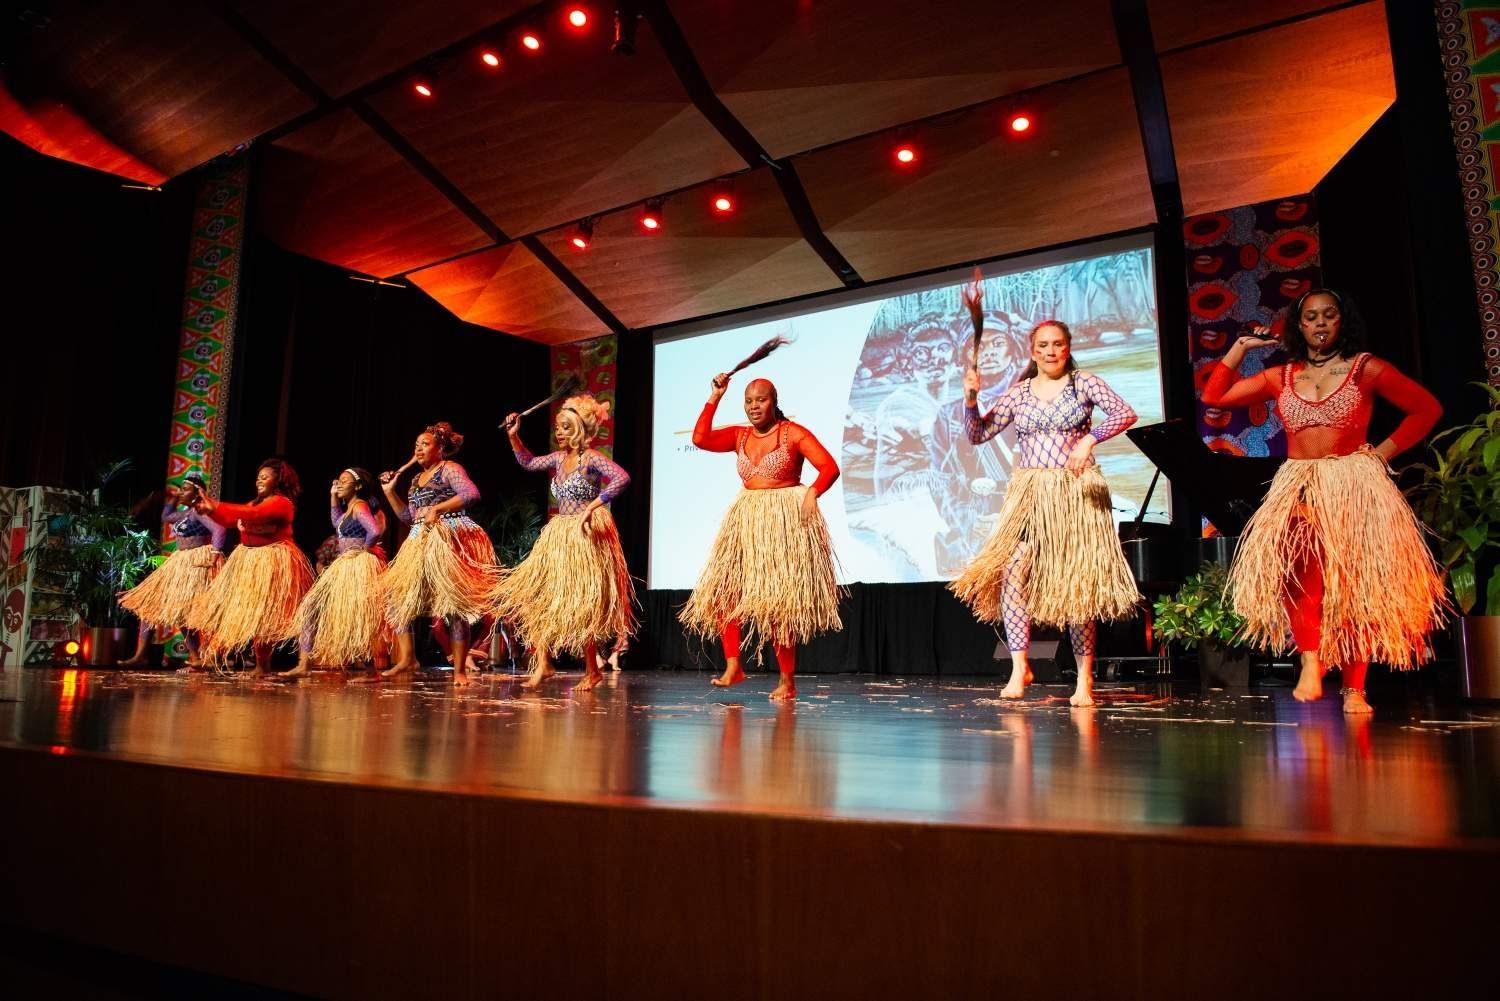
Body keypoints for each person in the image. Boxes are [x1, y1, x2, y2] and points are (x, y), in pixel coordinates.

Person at [1199, 288, 1448, 713]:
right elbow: (1213, 398)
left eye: (1328, 316)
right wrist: (1241, 347)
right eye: (1310, 317)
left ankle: (1354, 687)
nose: (1319, 323)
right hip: (1299, 483)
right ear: (1299, 326)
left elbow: (1427, 409)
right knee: (1301, 576)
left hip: (1353, 482)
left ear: (1341, 322)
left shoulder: (1366, 369)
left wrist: (1380, 453)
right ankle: (1311, 662)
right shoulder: (1281, 376)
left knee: (1354, 587)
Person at [950, 318, 1141, 706]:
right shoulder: (1019, 394)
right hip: (1031, 493)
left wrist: (1090, 438)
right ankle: (1021, 667)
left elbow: (1124, 413)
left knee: (1077, 585)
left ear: (1067, 347)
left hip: (1074, 493)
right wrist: (970, 400)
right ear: (1032, 351)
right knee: (1012, 573)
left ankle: (1084, 679)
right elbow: (977, 434)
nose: (1051, 351)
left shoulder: (1083, 383)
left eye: (1058, 344)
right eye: (1044, 345)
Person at [680, 374, 842, 701]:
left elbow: (829, 467)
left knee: (777, 603)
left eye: (761, 400)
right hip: (747, 518)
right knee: (724, 591)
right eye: (749, 401)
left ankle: (787, 680)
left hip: (783, 521)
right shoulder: (740, 436)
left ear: (774, 401)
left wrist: (812, 493)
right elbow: (699, 438)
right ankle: (733, 665)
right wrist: (715, 396)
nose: (754, 406)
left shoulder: (793, 434)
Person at [495, 394, 634, 692]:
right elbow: (529, 462)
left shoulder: (592, 458)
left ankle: (591, 670)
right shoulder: (558, 458)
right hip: (558, 535)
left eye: (566, 428)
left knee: (581, 603)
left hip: (583, 535)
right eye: (558, 428)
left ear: (581, 429)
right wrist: (514, 436)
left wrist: (594, 505)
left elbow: (622, 478)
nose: (559, 433)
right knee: (538, 597)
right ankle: (543, 661)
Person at [378, 422, 499, 686]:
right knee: (398, 600)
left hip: (448, 537)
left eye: (425, 443)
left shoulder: (450, 469)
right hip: (420, 539)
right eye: (416, 445)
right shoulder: (413, 479)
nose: (418, 448)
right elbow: (407, 517)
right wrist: (389, 493)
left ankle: (459, 671)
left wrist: (440, 508)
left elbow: (471, 494)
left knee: (453, 607)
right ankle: (408, 658)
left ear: (440, 448)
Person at [184, 459, 313, 676]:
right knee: (243, 612)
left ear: (279, 480)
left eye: (266, 476)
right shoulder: (253, 503)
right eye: (258, 476)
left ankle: (265, 665)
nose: (259, 480)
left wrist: (214, 504)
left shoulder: (282, 503)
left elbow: (253, 516)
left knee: (264, 615)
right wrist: (210, 509)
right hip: (248, 560)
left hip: (271, 560)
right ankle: (220, 655)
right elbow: (229, 519)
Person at [281, 468, 388, 679]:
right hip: (343, 565)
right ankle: (304, 664)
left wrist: (364, 551)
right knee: (311, 606)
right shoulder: (349, 508)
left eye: (344, 481)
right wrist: (332, 495)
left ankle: (370, 671)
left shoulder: (359, 506)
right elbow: (335, 522)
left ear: (357, 486)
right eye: (338, 480)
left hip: (355, 565)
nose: (339, 483)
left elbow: (374, 530)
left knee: (355, 615)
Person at [119, 472, 226, 668]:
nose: (181, 491)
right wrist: (175, 498)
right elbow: (166, 516)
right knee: (150, 607)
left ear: (197, 493)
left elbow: (219, 530)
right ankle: (141, 655)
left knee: (186, 612)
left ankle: (199, 656)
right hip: (180, 561)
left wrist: (215, 554)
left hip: (196, 560)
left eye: (185, 489)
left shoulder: (199, 512)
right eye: (181, 489)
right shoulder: (186, 513)